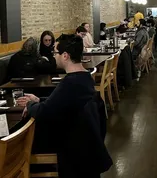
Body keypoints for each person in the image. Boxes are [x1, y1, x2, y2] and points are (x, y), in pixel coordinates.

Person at [17, 35, 113, 178]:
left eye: (55, 53)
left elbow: (45, 112)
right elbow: (61, 103)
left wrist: (31, 105)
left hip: (72, 147)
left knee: (23, 143)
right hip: (86, 146)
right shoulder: (84, 77)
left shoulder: (70, 83)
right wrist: (38, 100)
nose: (53, 56)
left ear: (65, 56)